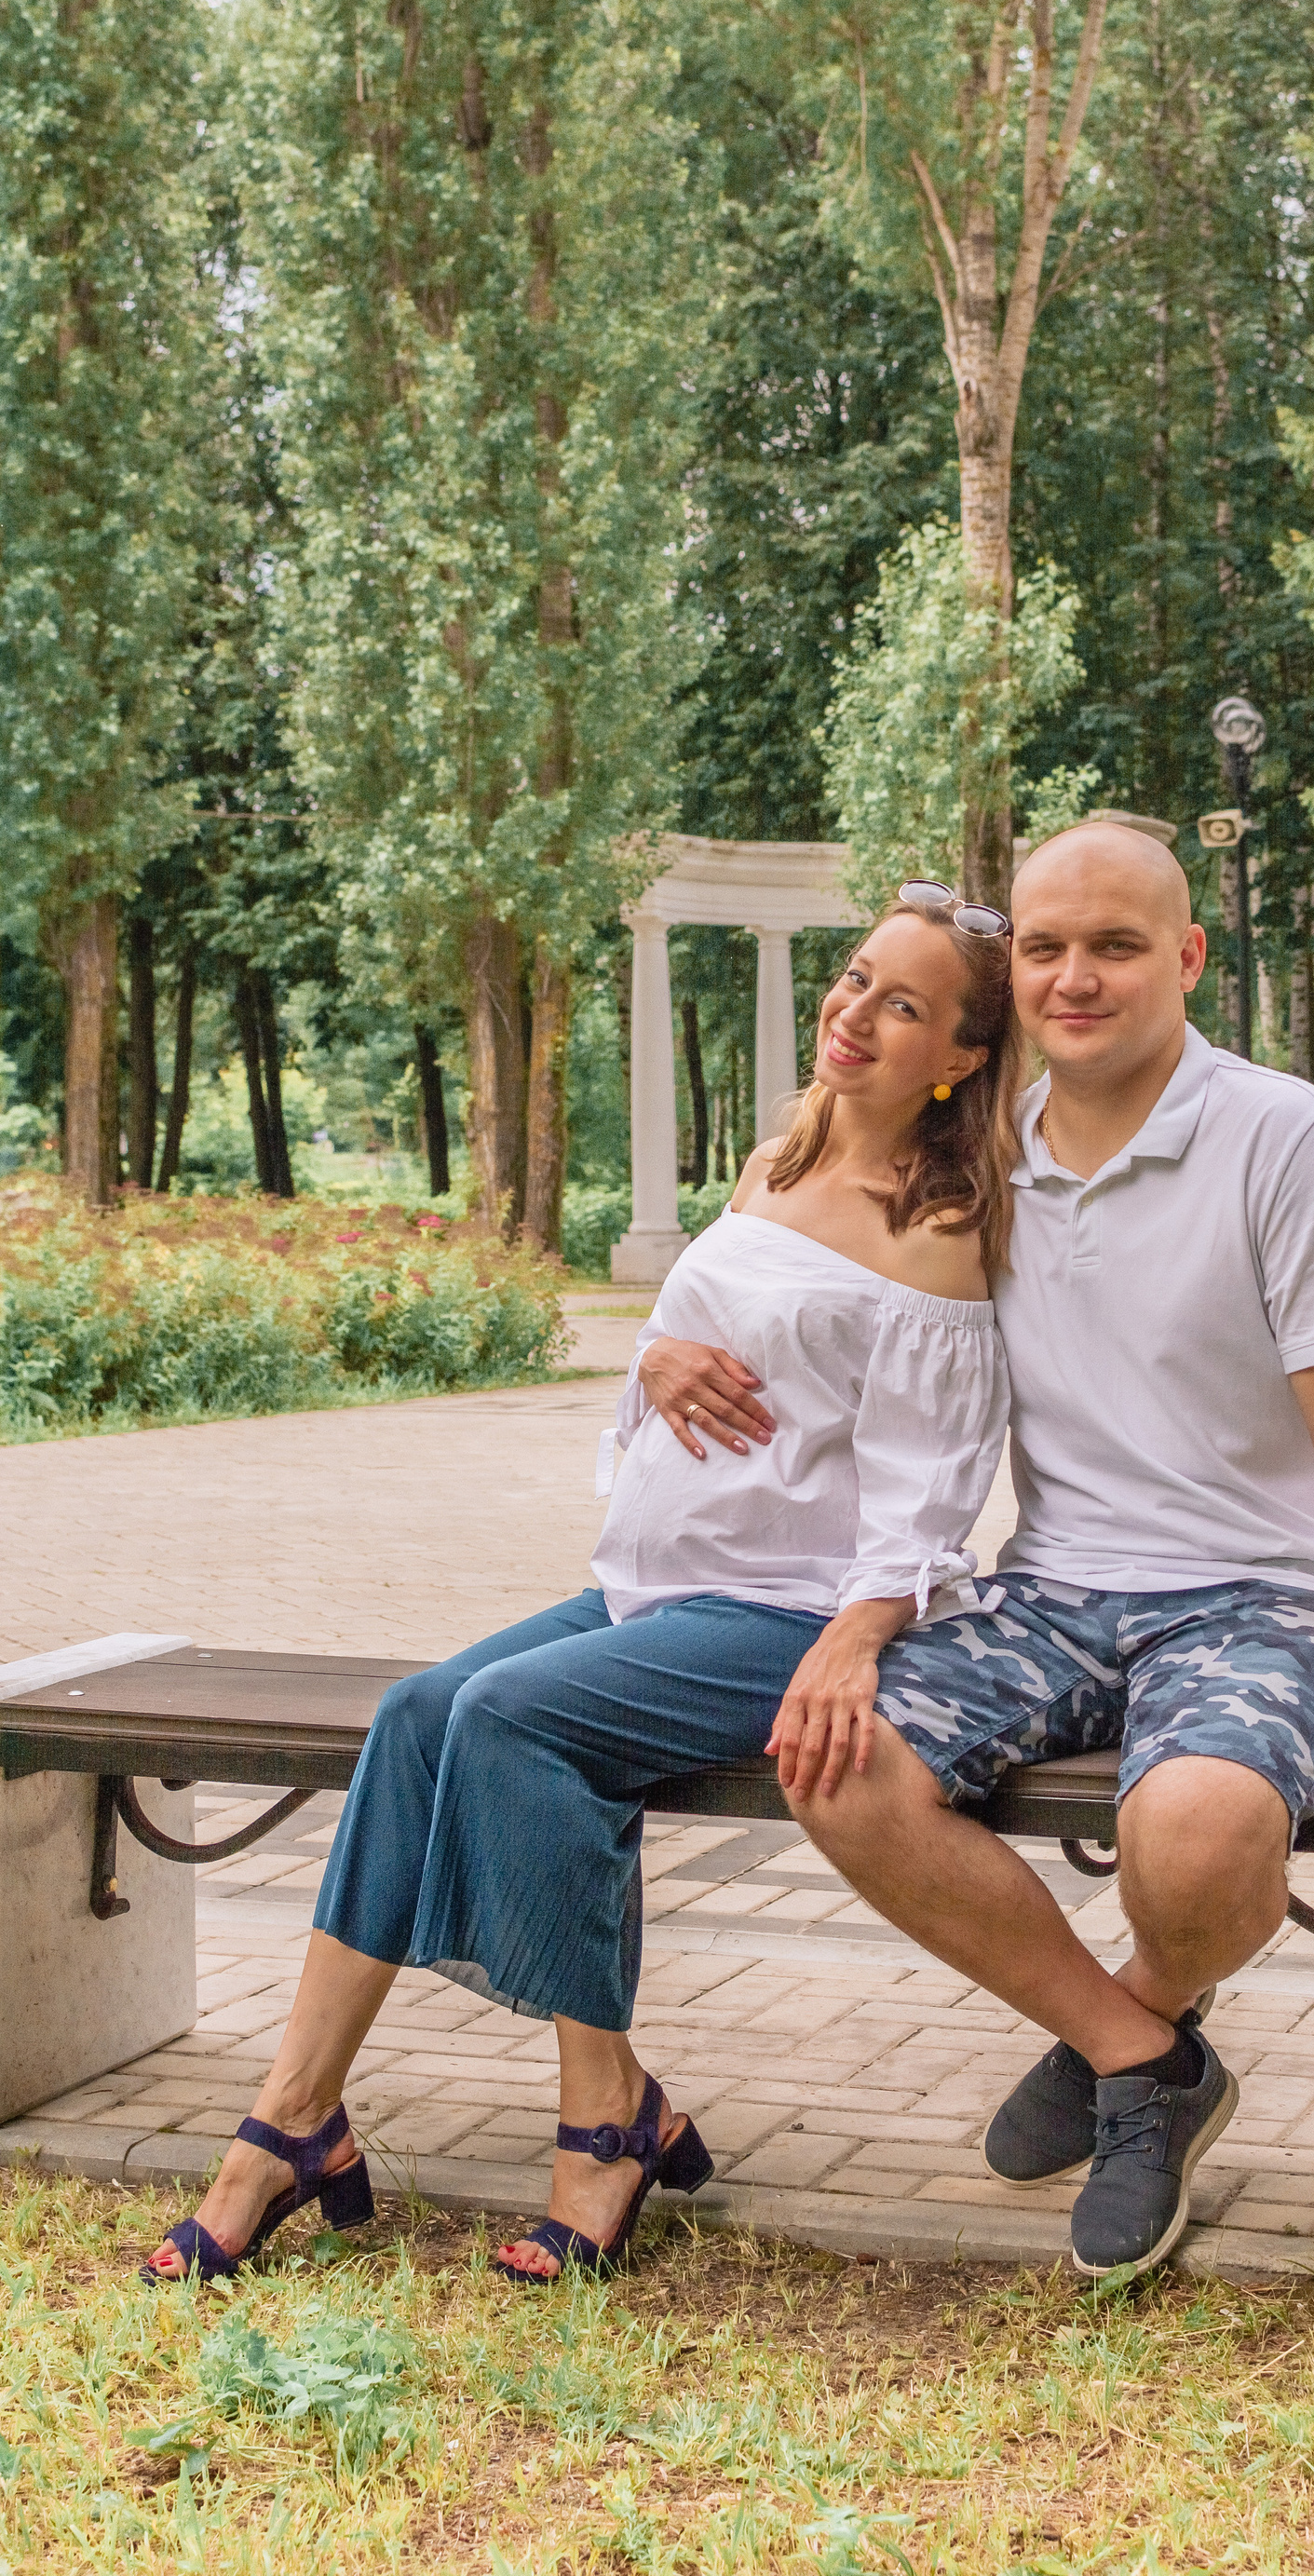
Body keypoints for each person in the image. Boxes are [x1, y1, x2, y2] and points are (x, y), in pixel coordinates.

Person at [142, 892, 1019, 2286]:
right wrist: (653, 1358)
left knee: (512, 1719)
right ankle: (295, 2118)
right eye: (856, 979)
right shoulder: (775, 1160)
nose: (853, 1012)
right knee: (418, 1714)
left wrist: (860, 1639)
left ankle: (605, 2121)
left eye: (902, 1005)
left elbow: (934, 1489)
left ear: (961, 1059)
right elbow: (680, 1347)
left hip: (790, 1614)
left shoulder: (939, 1226)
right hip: (659, 1586)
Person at [643, 824, 1314, 2282]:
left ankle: (1129, 2024)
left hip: (1255, 1602)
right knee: (834, 1758)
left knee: (1193, 1837)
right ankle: (1144, 2059)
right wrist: (663, 1357)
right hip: (1050, 1588)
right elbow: (819, 1304)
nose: (1076, 977)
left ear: (1187, 959)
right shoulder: (983, 1148)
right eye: (1047, 949)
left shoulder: (1284, 1139)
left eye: (1116, 947)